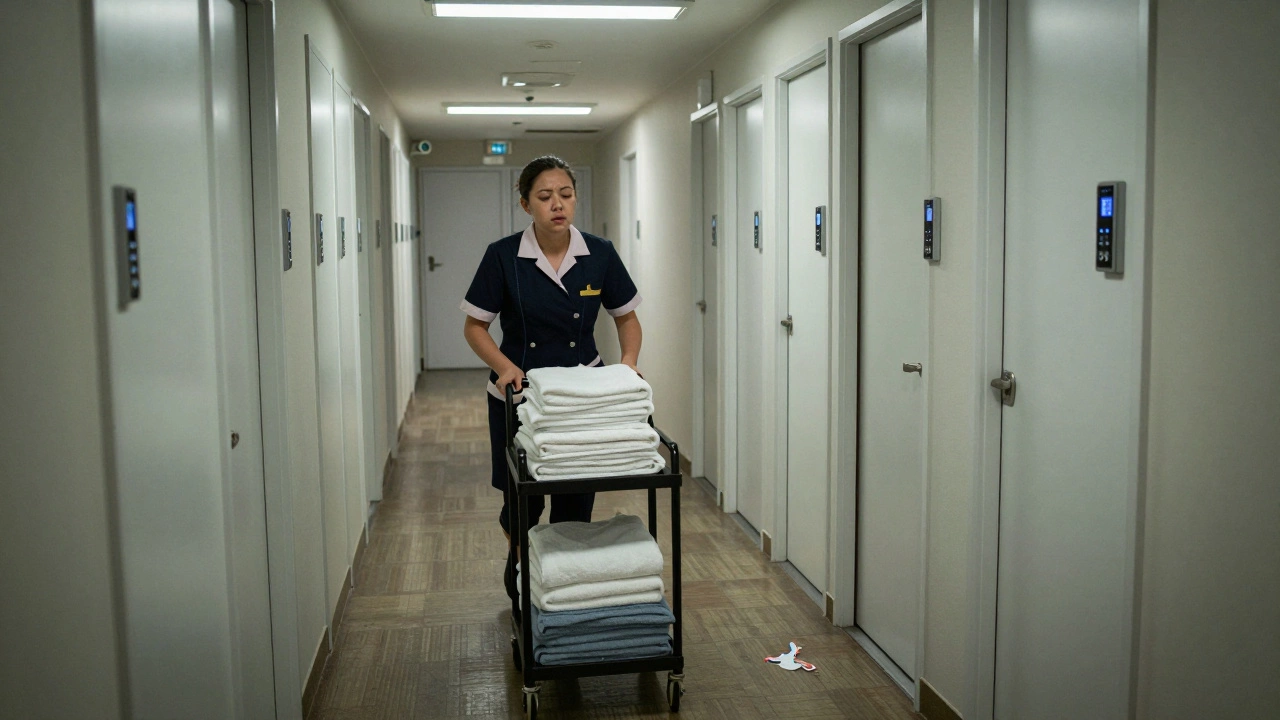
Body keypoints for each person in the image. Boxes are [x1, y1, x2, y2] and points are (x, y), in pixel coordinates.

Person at [460, 155, 644, 601]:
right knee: (523, 500)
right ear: (526, 204)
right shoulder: (503, 256)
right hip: (519, 395)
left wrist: (629, 363)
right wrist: (504, 366)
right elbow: (475, 327)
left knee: (575, 498)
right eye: (545, 197)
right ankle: (522, 563)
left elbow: (627, 318)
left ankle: (564, 586)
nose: (557, 204)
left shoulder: (598, 252)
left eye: (565, 194)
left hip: (583, 396)